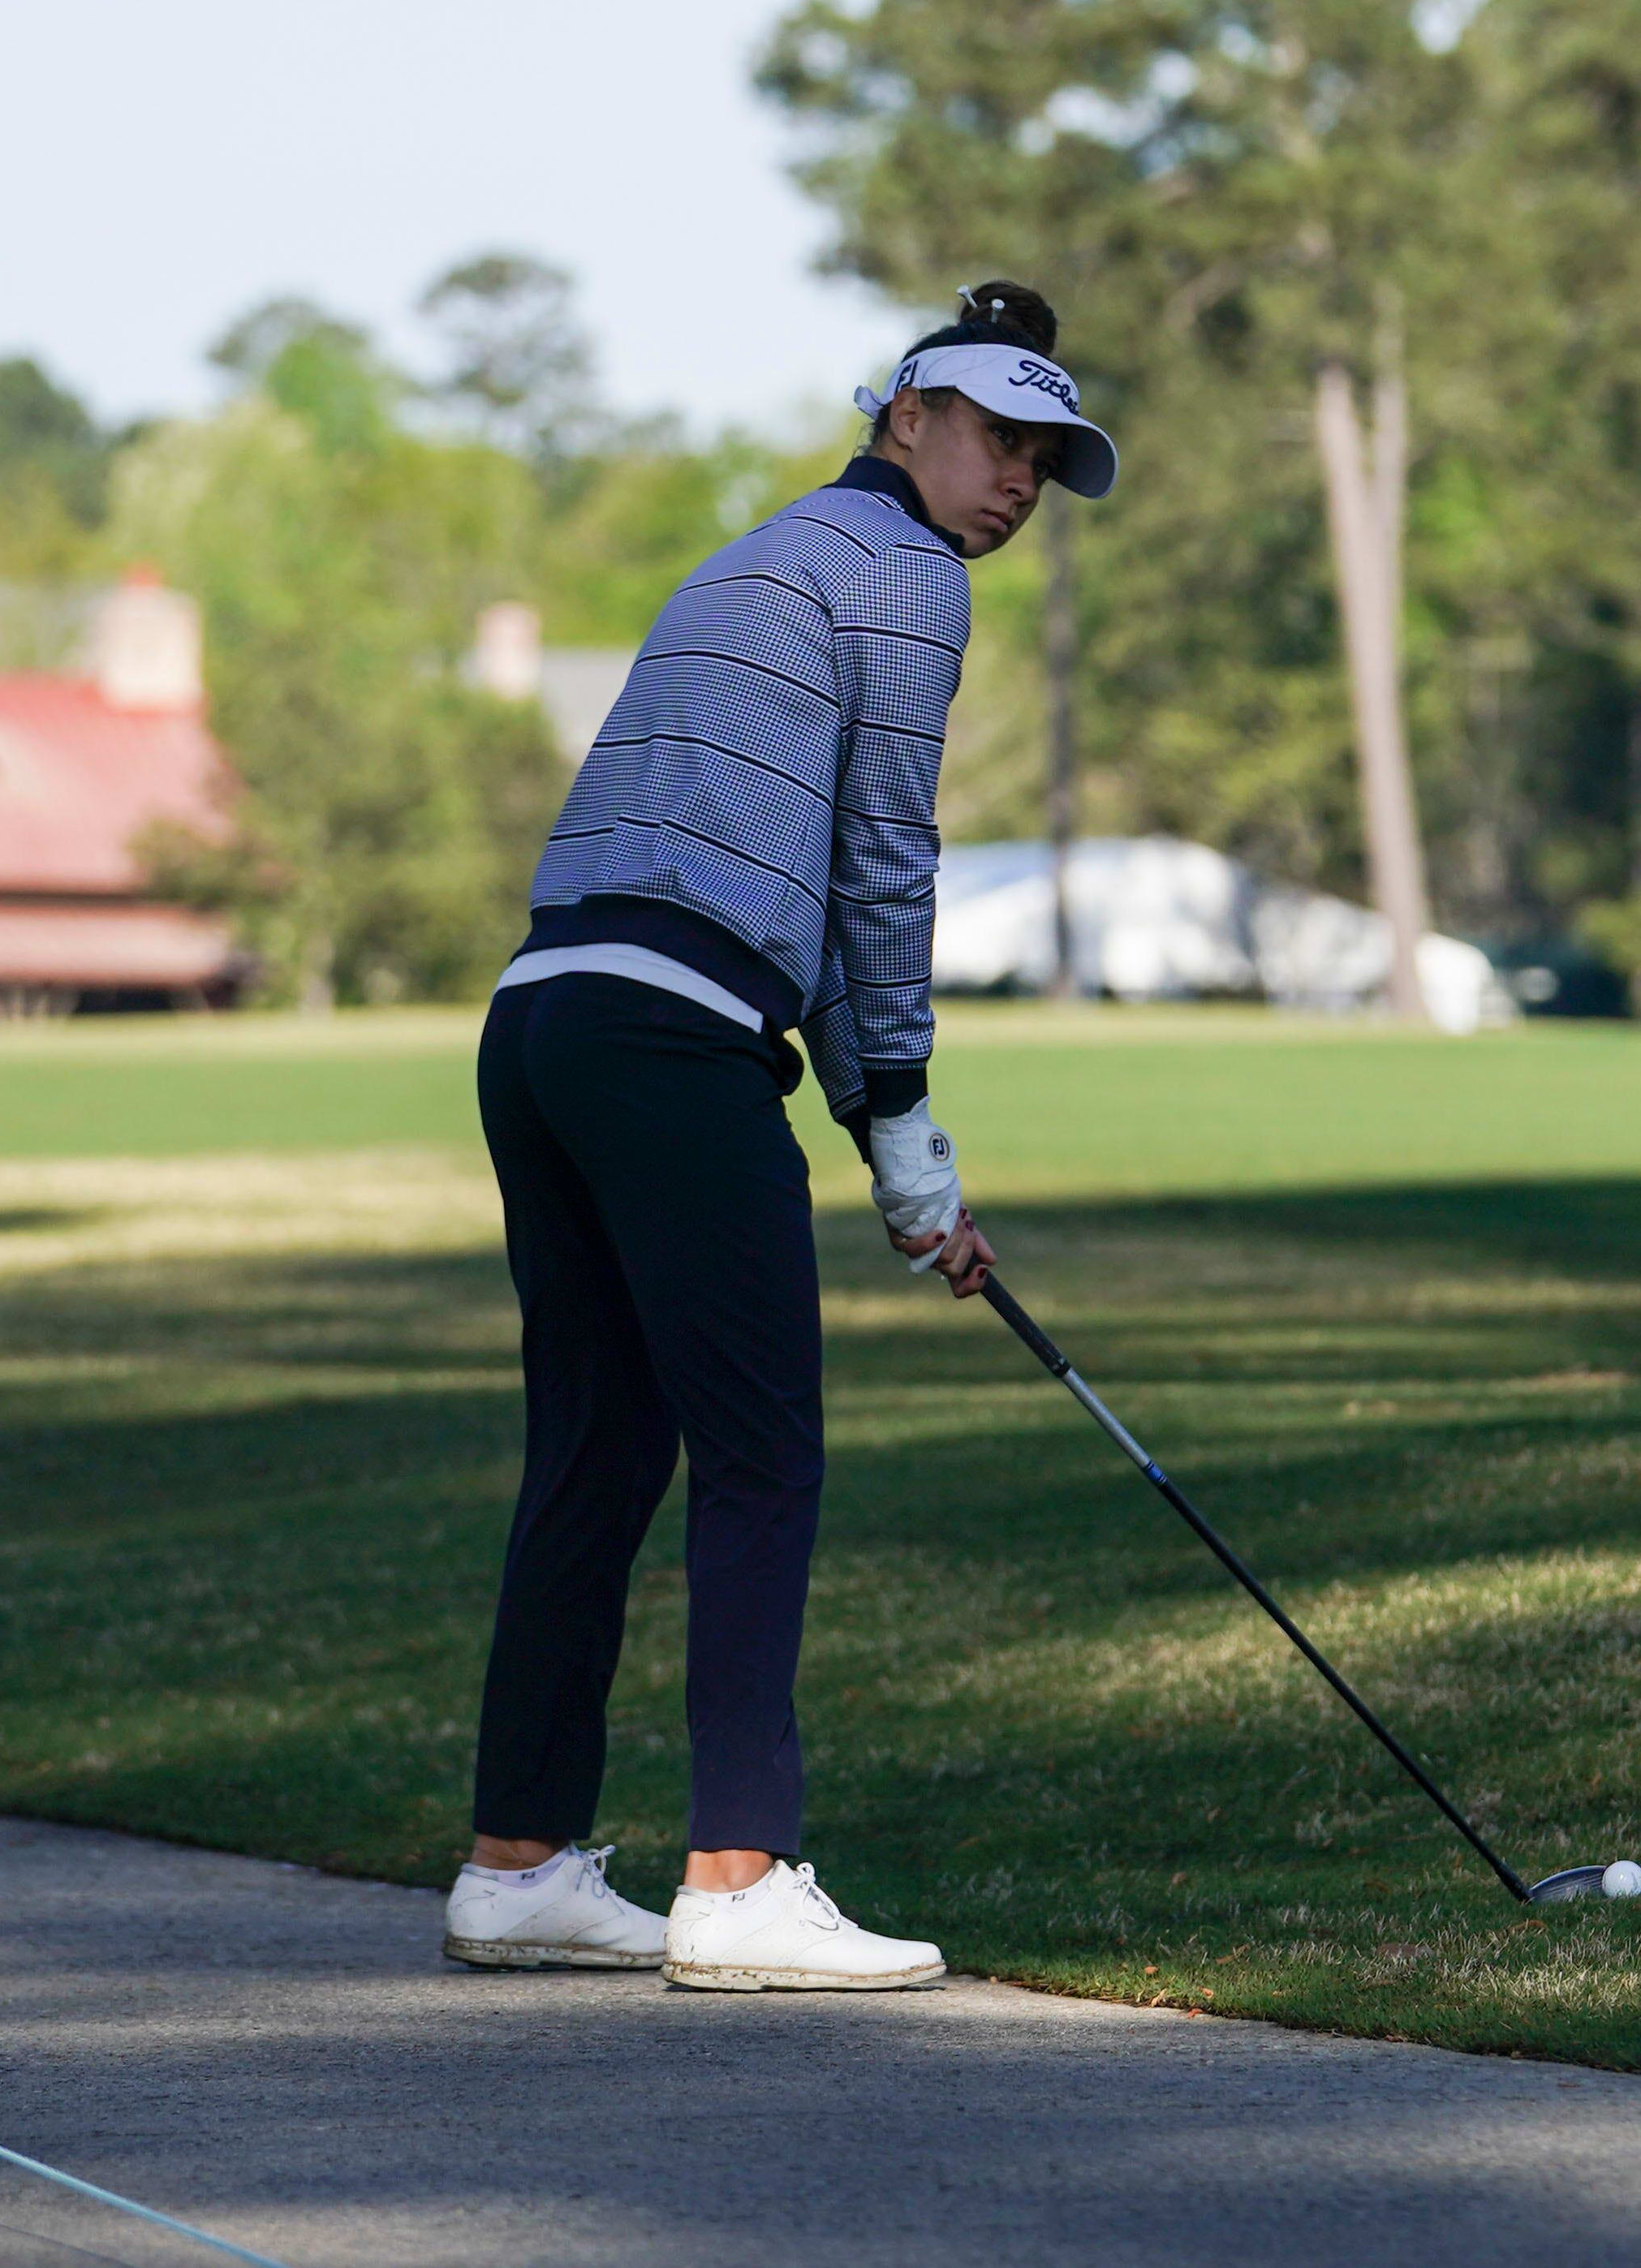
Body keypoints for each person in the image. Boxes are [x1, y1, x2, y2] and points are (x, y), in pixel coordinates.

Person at [440, 284, 1120, 1990]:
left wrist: (889, 1136)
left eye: (1046, 455)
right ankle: (740, 1878)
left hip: (542, 1020)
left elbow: (773, 864)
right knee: (759, 1457)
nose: (1021, 479)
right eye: (998, 438)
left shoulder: (762, 552)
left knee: (597, 1450)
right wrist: (901, 1132)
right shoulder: (906, 579)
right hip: (669, 1034)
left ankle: (518, 1865)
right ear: (909, 419)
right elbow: (880, 869)